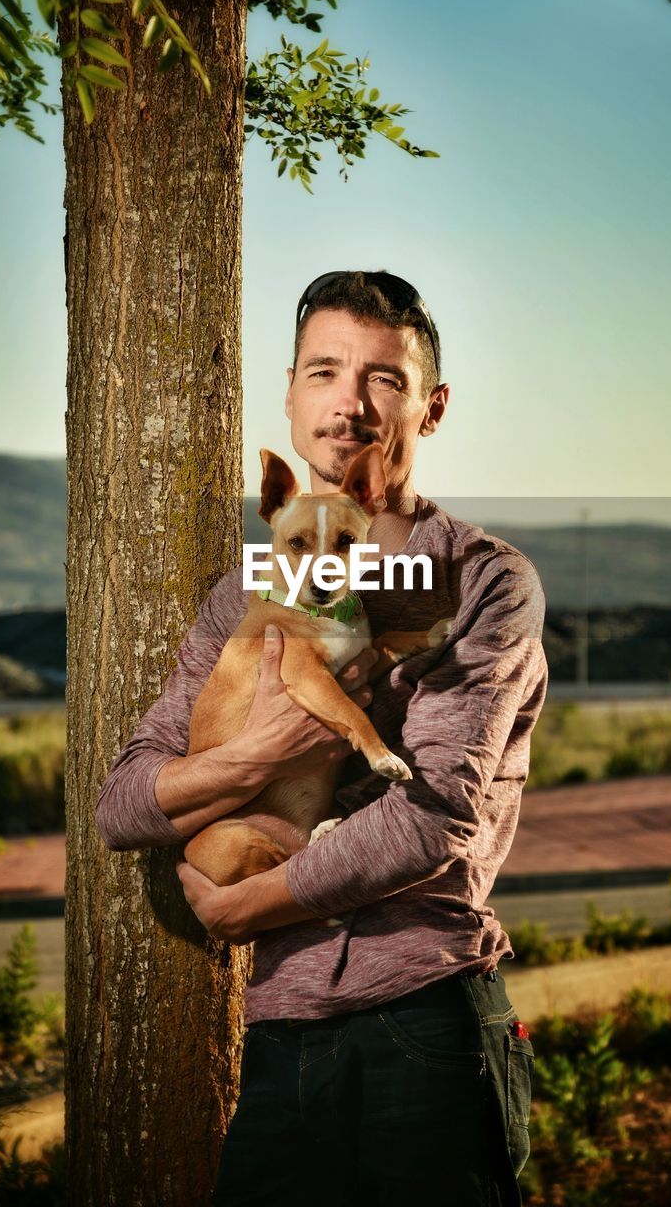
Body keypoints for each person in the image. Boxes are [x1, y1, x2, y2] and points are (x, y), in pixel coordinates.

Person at [94, 270, 549, 1206]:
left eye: (382, 377)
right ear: (291, 394)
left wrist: (238, 908)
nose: (348, 403)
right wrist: (256, 755)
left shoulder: (483, 582)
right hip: (279, 1032)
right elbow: (121, 803)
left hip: (424, 1025)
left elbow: (430, 823)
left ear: (430, 408)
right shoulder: (245, 592)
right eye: (323, 371)